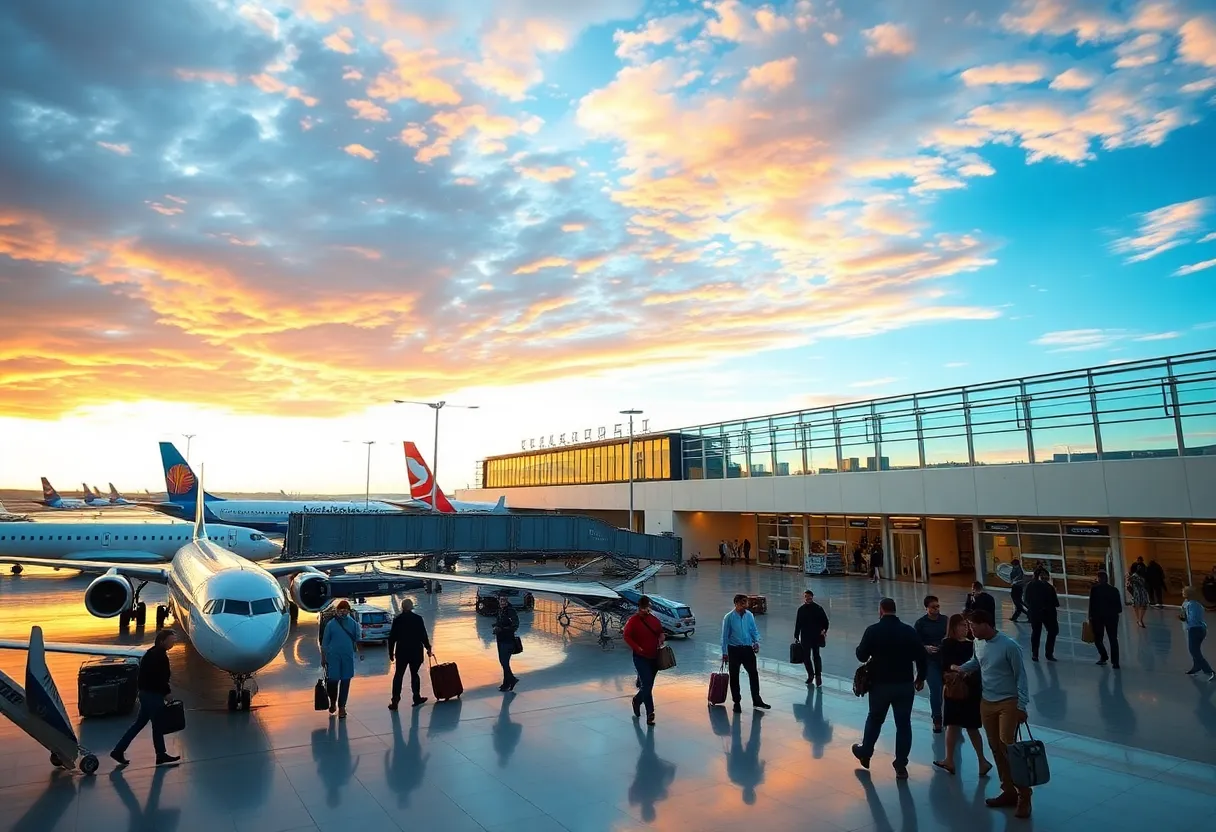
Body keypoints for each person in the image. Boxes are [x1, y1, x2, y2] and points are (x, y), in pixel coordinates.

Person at [954, 610, 1032, 819]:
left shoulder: (1009, 646)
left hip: (1008, 702)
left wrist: (1021, 706)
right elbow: (978, 662)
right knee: (995, 747)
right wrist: (960, 669)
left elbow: (1021, 677)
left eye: (973, 626)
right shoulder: (978, 643)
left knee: (1008, 747)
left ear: (986, 624)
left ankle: (1024, 794)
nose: (970, 630)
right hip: (987, 701)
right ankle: (1008, 791)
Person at [851, 598, 927, 779]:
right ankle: (901, 765)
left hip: (880, 685)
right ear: (895, 610)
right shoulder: (908, 631)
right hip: (904, 685)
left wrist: (860, 649)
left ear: (881, 610)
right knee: (903, 725)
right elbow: (921, 656)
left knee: (875, 719)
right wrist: (920, 678)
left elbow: (861, 655)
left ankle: (866, 752)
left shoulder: (873, 631)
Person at [933, 614, 992, 777]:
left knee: (967, 726)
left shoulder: (971, 644)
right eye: (961, 626)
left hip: (962, 690)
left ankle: (978, 760)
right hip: (961, 689)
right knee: (954, 725)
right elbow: (945, 664)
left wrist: (957, 670)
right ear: (953, 627)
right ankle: (956, 759)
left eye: (966, 626)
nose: (965, 629)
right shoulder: (954, 644)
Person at [111, 629, 180, 766]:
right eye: (171, 640)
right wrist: (167, 693)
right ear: (162, 641)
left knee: (140, 724)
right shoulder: (159, 656)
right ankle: (160, 755)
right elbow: (160, 678)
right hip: (152, 696)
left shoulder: (151, 653)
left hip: (146, 694)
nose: (173, 643)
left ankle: (119, 750)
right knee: (157, 724)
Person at [720, 593, 770, 712]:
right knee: (734, 676)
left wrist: (756, 642)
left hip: (747, 649)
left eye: (746, 602)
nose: (745, 604)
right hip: (734, 650)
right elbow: (724, 637)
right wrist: (724, 653)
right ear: (736, 603)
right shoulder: (729, 617)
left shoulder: (749, 615)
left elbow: (753, 630)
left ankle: (757, 699)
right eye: (742, 602)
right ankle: (736, 702)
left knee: (753, 674)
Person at [622, 595, 664, 725]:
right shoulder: (633, 621)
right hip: (640, 658)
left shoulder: (654, 620)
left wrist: (662, 637)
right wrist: (637, 648)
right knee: (647, 685)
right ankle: (650, 713)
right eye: (643, 608)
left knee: (648, 685)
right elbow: (626, 636)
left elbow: (660, 632)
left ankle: (637, 700)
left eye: (647, 608)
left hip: (654, 657)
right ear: (639, 608)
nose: (645, 611)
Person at [388, 598, 433, 710]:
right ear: (411, 607)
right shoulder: (418, 619)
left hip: (402, 652)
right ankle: (416, 697)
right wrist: (428, 648)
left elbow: (392, 638)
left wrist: (391, 653)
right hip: (415, 652)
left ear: (402, 607)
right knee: (415, 674)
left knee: (398, 676)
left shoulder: (397, 620)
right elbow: (423, 635)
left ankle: (395, 701)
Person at [321, 599, 363, 717]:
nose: (343, 612)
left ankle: (342, 707)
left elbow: (358, 638)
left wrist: (360, 651)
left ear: (349, 611)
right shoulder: (331, 624)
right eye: (341, 610)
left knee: (345, 682)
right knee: (332, 683)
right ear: (337, 610)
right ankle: (333, 702)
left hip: (347, 657)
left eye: (345, 610)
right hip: (333, 657)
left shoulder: (353, 624)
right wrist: (323, 657)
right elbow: (324, 643)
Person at [914, 595, 947, 733]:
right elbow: (915, 643)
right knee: (936, 690)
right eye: (933, 607)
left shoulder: (945, 620)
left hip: (945, 659)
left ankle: (950, 717)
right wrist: (925, 647)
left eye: (937, 606)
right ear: (926, 608)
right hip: (930, 661)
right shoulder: (920, 624)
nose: (936, 609)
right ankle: (937, 718)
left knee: (949, 690)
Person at [793, 589, 829, 687]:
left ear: (812, 597)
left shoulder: (818, 608)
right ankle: (810, 675)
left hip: (816, 636)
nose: (808, 598)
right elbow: (798, 623)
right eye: (806, 596)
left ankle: (818, 676)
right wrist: (796, 635)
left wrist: (824, 630)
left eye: (809, 596)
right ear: (804, 597)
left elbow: (825, 621)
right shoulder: (801, 610)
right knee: (806, 657)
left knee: (816, 656)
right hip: (805, 637)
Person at [1088, 571, 1123, 669]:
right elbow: (1119, 608)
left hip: (1098, 618)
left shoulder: (1094, 590)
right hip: (1112, 618)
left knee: (1098, 639)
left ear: (1098, 579)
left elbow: (1091, 605)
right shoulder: (1114, 590)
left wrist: (1090, 617)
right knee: (1113, 639)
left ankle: (1103, 656)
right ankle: (1115, 662)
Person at [1023, 569, 1059, 662]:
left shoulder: (1029, 585)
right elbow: (1055, 602)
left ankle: (1035, 654)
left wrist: (1033, 607)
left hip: (1034, 613)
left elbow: (1026, 600)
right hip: (1048, 613)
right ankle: (1049, 653)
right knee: (1052, 632)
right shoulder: (1049, 587)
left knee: (1036, 633)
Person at [1181, 586, 1215, 681]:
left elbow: (1193, 618)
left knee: (1194, 651)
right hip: (1197, 628)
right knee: (1194, 649)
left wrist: (1186, 620)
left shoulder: (1193, 605)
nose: (1182, 593)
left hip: (1195, 629)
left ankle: (1209, 671)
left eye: (1184, 592)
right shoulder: (1190, 603)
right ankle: (1196, 667)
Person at [494, 595, 520, 691]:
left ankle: (512, 679)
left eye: (504, 600)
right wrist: (496, 627)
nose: (502, 602)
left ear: (507, 601)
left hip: (508, 640)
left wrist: (502, 629)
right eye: (501, 600)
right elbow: (500, 622)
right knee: (504, 662)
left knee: (504, 662)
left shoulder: (510, 611)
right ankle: (506, 683)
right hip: (501, 639)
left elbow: (515, 625)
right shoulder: (501, 610)